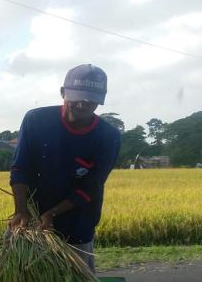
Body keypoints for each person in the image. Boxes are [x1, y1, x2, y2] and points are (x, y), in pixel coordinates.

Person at [8, 63, 121, 271]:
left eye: (91, 100)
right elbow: (20, 169)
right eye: (78, 97)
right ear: (63, 92)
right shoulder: (36, 120)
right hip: (30, 219)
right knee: (20, 280)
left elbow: (90, 188)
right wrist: (21, 210)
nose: (83, 104)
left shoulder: (108, 137)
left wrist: (52, 213)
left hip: (77, 220)